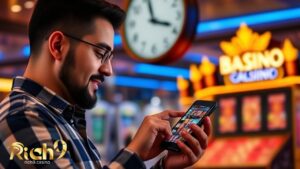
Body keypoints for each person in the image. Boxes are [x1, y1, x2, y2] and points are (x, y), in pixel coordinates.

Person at [0, 0, 212, 168]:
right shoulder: (23, 118)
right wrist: (134, 153)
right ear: (58, 46)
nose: (108, 70)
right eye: (101, 53)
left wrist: (163, 166)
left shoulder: (61, 119)